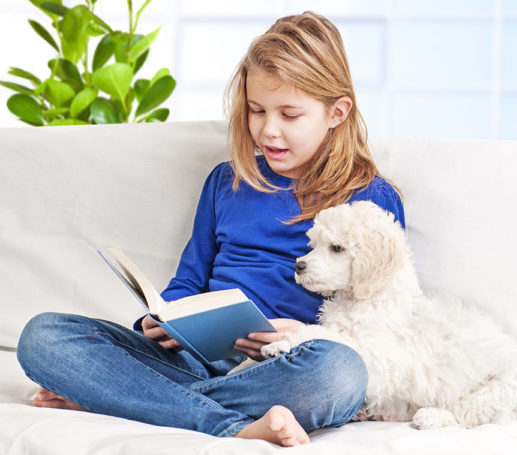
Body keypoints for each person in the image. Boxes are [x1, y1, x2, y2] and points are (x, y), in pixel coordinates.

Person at [17, 11, 405, 447]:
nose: (268, 130)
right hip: (194, 358)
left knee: (341, 373)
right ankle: (227, 423)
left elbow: (383, 316)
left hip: (287, 365)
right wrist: (162, 320)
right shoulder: (227, 181)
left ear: (337, 112)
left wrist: (296, 335)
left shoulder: (370, 198)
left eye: (289, 115)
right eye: (257, 110)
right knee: (43, 335)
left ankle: (121, 396)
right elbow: (189, 279)